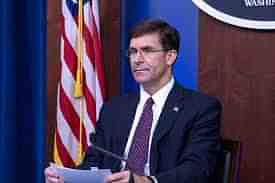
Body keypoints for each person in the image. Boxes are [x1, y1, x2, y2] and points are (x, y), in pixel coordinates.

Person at [45, 19, 222, 183]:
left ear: (170, 57)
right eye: (133, 52)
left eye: (147, 50)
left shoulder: (200, 108)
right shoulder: (114, 108)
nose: (137, 59)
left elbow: (197, 169)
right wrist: (68, 179)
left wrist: (145, 181)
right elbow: (94, 161)